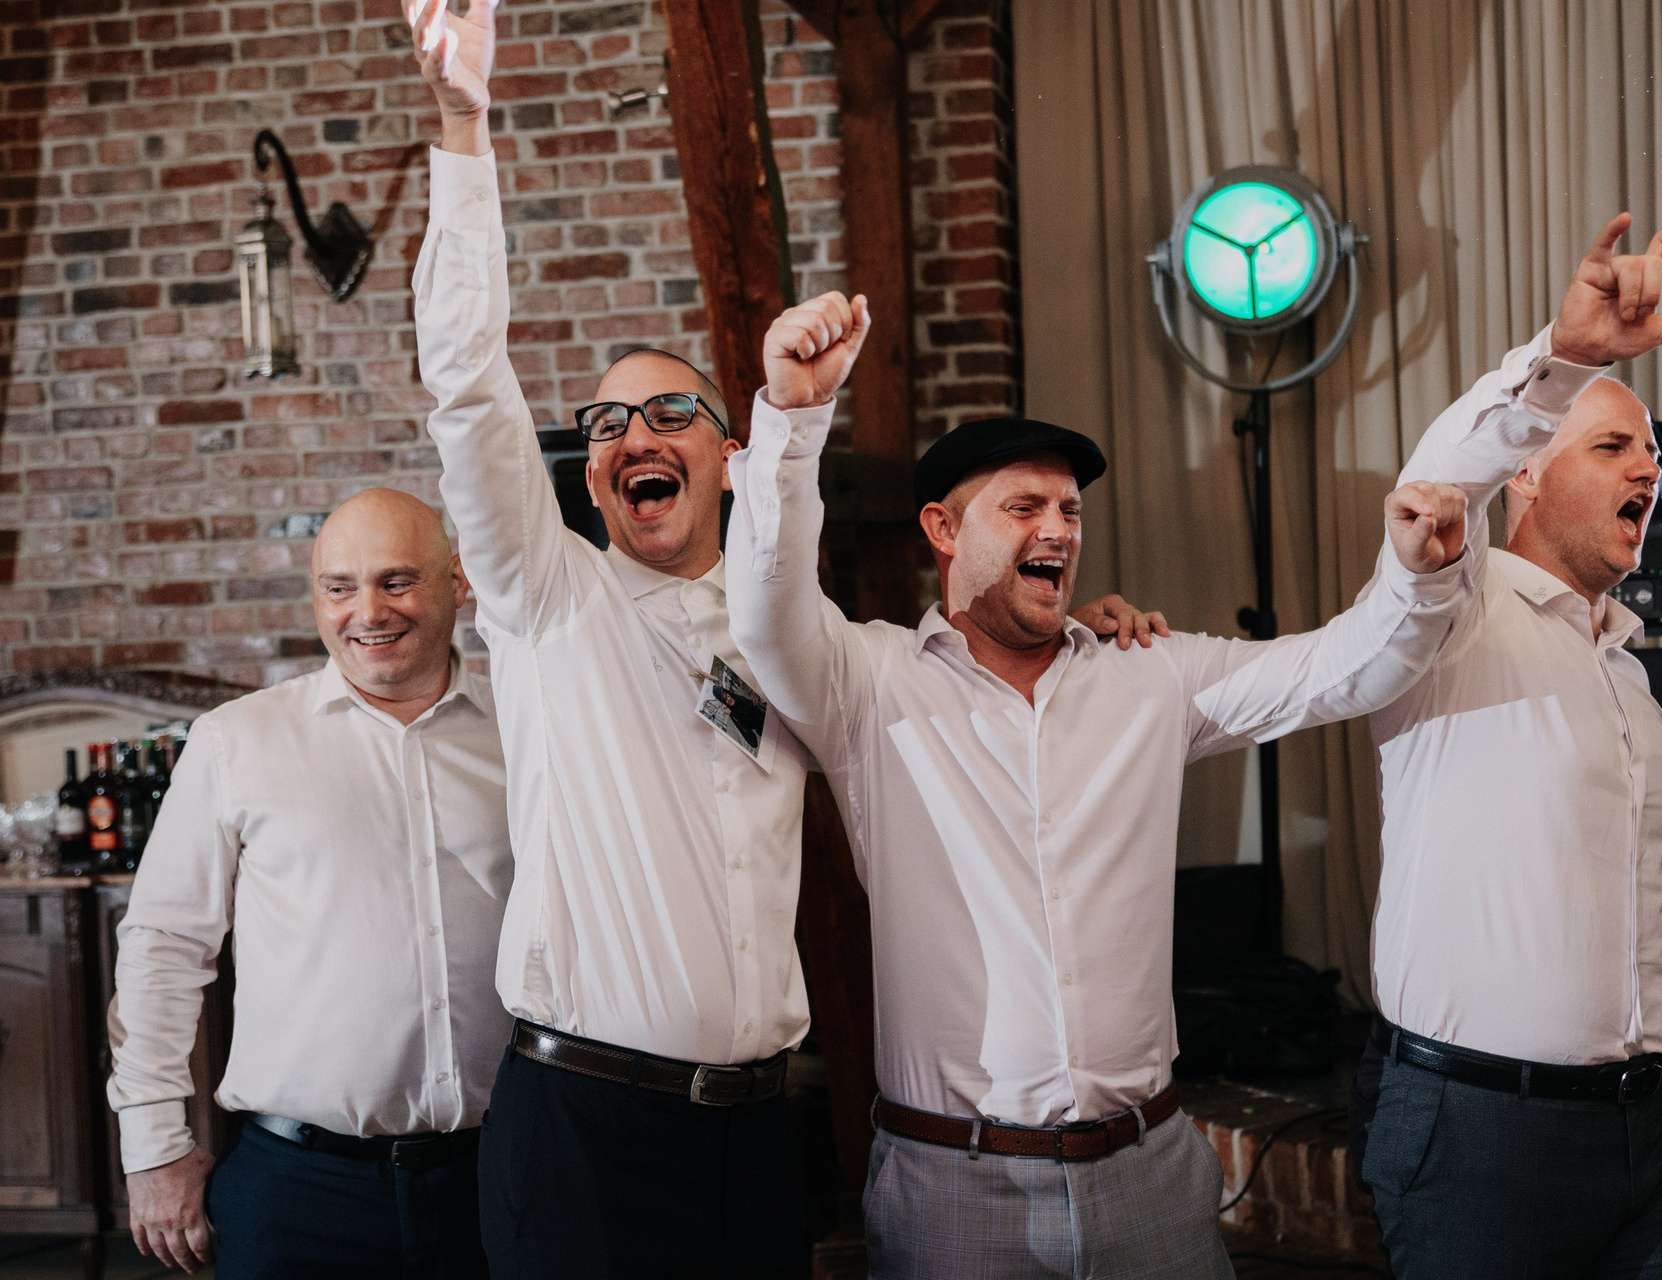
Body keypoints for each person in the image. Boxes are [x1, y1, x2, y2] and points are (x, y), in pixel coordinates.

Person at [404, 4, 1156, 1273]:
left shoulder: (803, 642)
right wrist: (463, 132)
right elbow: (470, 387)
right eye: (605, 425)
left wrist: (1071, 631)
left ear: (730, 455)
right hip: (582, 1127)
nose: (632, 436)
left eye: (668, 412)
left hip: (755, 1133)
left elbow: (952, 678)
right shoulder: (548, 599)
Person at [722, 269, 1511, 1273]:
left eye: (1070, 508)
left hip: (1150, 1174)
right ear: (942, 531)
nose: (1058, 529)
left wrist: (1417, 574)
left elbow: (1341, 669)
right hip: (954, 1184)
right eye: (1024, 507)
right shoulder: (868, 683)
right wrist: (793, 417)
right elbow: (767, 609)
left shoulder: (1150, 674)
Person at [1350, 208, 1662, 1278]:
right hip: (1480, 1131)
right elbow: (1436, 484)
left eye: (1653, 452)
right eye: (1612, 445)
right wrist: (1563, 358)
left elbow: (1609, 894)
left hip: (1650, 1128)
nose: (1649, 470)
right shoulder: (1449, 612)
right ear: (1527, 475)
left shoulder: (1626, 669)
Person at [107, 488, 512, 1279]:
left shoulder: (526, 729)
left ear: (457, 581)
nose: (369, 611)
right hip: (298, 1191)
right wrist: (153, 1148)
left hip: (502, 1178)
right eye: (340, 587)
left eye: (398, 581)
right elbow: (162, 949)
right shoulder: (237, 741)